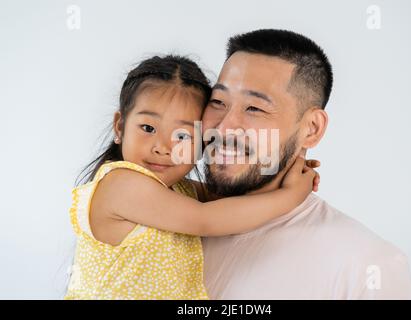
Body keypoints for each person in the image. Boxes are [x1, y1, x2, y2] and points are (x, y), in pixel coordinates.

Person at [64, 55, 319, 300]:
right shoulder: (121, 184)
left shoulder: (176, 191)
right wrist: (292, 195)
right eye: (148, 128)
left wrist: (283, 169)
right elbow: (206, 219)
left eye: (183, 136)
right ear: (119, 126)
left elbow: (231, 197)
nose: (163, 147)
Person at [201, 29, 411, 299]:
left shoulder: (367, 267)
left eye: (254, 108)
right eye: (218, 101)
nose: (223, 129)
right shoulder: (162, 222)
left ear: (312, 128)